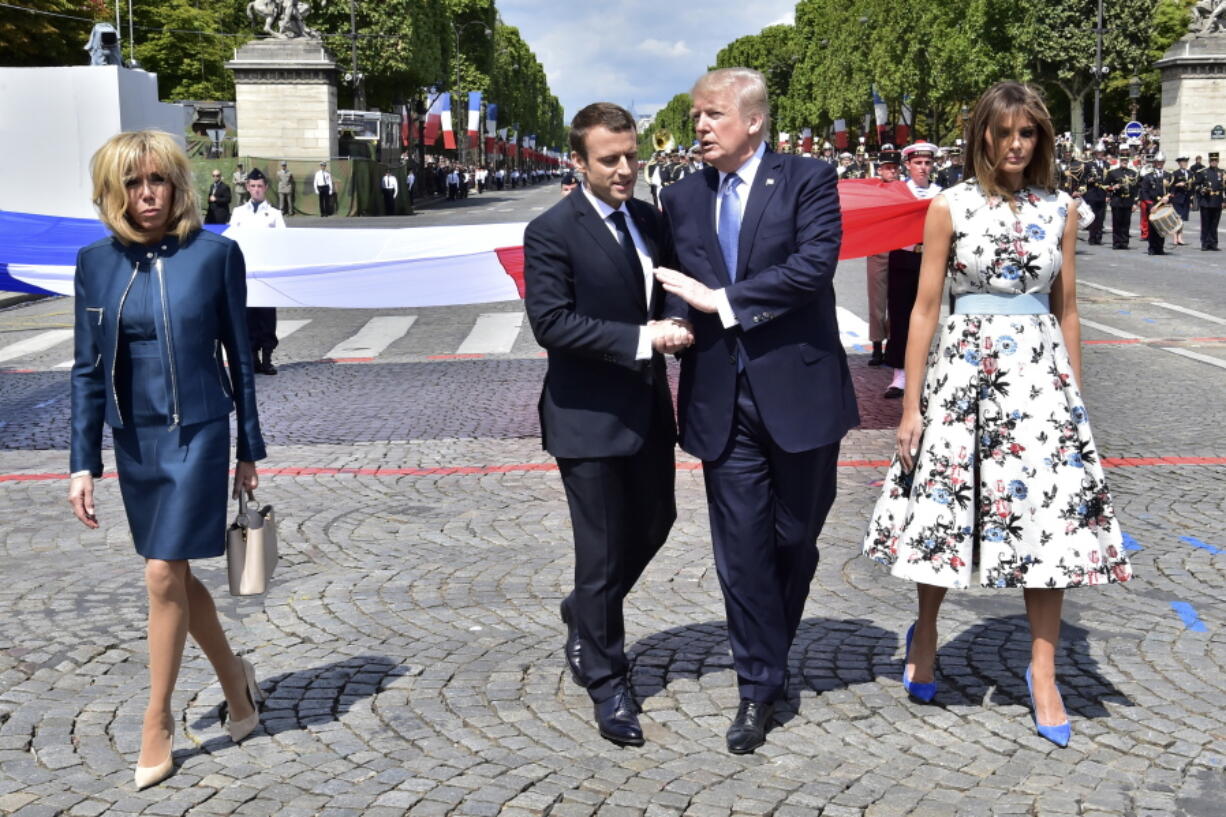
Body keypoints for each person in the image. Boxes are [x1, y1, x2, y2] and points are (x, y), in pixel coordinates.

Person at [863, 82, 1132, 750]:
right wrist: (913, 404)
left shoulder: (1062, 208)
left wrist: (1076, 397)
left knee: (1051, 525)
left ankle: (1043, 670)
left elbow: (1067, 309)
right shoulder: (949, 207)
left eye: (1029, 134)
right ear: (983, 134)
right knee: (946, 511)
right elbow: (924, 309)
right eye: (1005, 132)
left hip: (1039, 385)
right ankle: (925, 629)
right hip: (963, 377)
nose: (1016, 145)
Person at [655, 67, 858, 754]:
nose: (700, 128)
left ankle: (768, 653)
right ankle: (758, 686)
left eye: (712, 115)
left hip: (799, 393)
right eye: (695, 117)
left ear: (754, 121)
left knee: (793, 540)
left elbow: (813, 267)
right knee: (740, 553)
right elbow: (674, 278)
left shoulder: (807, 180)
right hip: (719, 397)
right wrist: (677, 318)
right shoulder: (681, 196)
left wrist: (723, 303)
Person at [68, 130, 267, 789]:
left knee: (161, 572)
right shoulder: (94, 262)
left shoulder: (215, 255)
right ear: (112, 190)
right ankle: (236, 683)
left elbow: (241, 357)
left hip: (200, 432)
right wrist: (81, 461)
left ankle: (155, 718)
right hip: (136, 441)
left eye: (156, 179)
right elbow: (86, 371)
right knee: (174, 575)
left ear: (178, 184)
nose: (145, 193)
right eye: (131, 182)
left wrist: (249, 449)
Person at [523, 102, 690, 748]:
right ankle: (608, 678)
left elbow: (671, 281)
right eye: (609, 159)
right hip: (585, 416)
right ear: (578, 161)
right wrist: (644, 338)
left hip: (648, 409)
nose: (625, 169)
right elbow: (552, 323)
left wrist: (676, 313)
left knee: (656, 522)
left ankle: (584, 613)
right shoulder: (551, 231)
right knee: (598, 553)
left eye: (631, 156)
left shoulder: (650, 218)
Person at [883, 142, 943, 398]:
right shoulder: (898, 192)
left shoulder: (940, 194)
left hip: (930, 259)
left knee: (927, 316)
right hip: (903, 257)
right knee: (900, 316)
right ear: (907, 165)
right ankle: (899, 375)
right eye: (918, 163)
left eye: (927, 163)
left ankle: (922, 371)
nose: (923, 168)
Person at [228, 168, 285, 375]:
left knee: (267, 317)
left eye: (260, 186)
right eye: (252, 186)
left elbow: (282, 241)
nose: (256, 190)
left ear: (266, 188)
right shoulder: (238, 213)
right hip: (245, 272)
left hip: (266, 272)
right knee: (248, 316)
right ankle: (252, 358)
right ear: (247, 187)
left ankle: (267, 357)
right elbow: (231, 240)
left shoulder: (274, 214)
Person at [866, 148, 902, 365]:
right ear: (880, 169)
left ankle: (893, 344)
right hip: (878, 249)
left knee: (897, 301)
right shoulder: (873, 190)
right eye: (888, 168)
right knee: (877, 301)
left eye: (895, 168)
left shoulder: (904, 189)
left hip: (899, 249)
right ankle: (877, 345)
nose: (892, 171)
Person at [1138, 152, 1171, 255]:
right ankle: (1152, 248)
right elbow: (1144, 192)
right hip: (1153, 205)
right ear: (1155, 163)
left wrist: (1168, 199)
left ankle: (1160, 248)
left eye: (1161, 162)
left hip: (1163, 205)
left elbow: (1172, 190)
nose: (1159, 164)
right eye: (1158, 162)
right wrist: (1150, 205)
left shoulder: (1168, 175)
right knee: (1152, 228)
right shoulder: (1148, 176)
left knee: (1162, 227)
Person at [1105, 149, 1138, 249]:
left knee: (1126, 223)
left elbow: (1135, 189)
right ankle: (1116, 242)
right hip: (1117, 200)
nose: (1124, 162)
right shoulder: (1113, 173)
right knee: (1117, 223)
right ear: (1120, 160)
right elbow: (1105, 186)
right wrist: (1113, 187)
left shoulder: (1133, 173)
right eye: (1123, 160)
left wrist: (1135, 203)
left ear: (1128, 161)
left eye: (1126, 160)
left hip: (1128, 201)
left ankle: (1124, 242)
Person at [1196, 152, 1223, 250]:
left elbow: (1224, 188)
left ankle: (1213, 243)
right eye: (1212, 160)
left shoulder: (1222, 172)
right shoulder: (1203, 172)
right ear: (1209, 161)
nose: (1214, 162)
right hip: (1206, 201)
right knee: (1206, 223)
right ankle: (1205, 243)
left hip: (1217, 201)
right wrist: (1202, 190)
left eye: (1216, 160)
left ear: (1218, 161)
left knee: (1214, 224)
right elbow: (1196, 185)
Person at [1170, 156, 1193, 246]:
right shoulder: (1175, 173)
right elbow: (1170, 186)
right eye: (1183, 162)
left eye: (1186, 162)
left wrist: (1191, 201)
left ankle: (1180, 236)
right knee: (1177, 218)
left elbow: (1192, 188)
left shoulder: (1190, 173)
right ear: (1179, 164)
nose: (1185, 164)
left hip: (1186, 199)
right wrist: (1177, 185)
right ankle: (1175, 237)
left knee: (1182, 219)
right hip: (1177, 198)